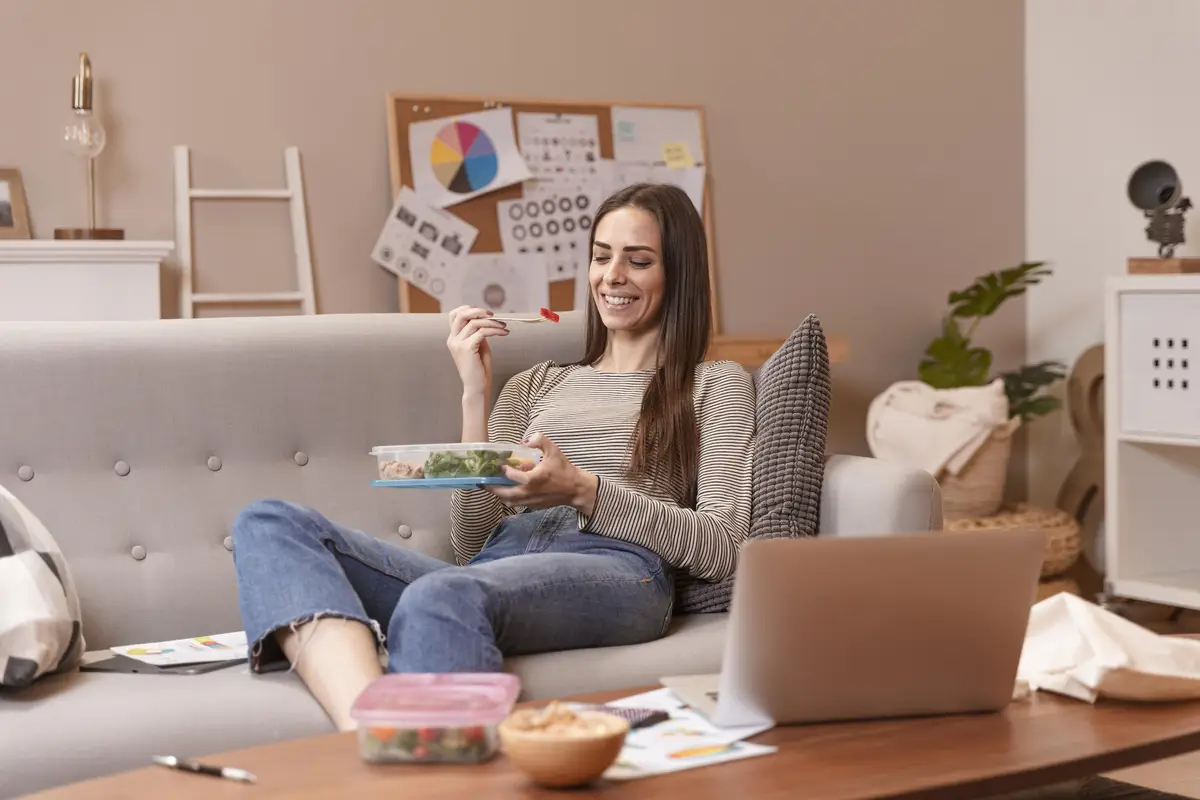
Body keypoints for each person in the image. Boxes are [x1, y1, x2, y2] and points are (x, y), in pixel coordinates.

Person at [231, 182, 756, 731]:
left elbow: (725, 549)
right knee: (268, 523)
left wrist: (585, 491)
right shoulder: (533, 387)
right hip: (498, 567)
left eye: (638, 260)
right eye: (601, 257)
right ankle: (369, 733)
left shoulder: (711, 385)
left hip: (621, 571)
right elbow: (470, 545)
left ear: (679, 274)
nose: (612, 276)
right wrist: (474, 395)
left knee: (443, 592)